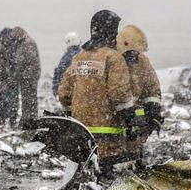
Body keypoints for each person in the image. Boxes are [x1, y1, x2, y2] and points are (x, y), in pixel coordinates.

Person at [57, 9, 134, 174]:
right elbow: (119, 93)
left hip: (82, 131)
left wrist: (74, 114)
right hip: (108, 132)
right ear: (112, 32)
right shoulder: (113, 57)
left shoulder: (79, 57)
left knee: (85, 175)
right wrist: (131, 118)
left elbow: (64, 93)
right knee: (107, 178)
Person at [116, 25, 163, 165]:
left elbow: (153, 87)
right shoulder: (114, 61)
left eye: (137, 53)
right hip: (117, 117)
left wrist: (153, 110)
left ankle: (134, 165)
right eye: (132, 53)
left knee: (135, 152)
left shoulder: (143, 62)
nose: (135, 56)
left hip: (136, 117)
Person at [10, 26, 41, 128]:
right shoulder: (25, 42)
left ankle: (29, 121)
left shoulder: (27, 44)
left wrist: (16, 76)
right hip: (28, 76)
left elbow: (23, 62)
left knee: (28, 100)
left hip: (29, 77)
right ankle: (29, 120)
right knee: (29, 100)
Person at [51, 31, 81, 98]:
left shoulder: (66, 58)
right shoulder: (84, 55)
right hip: (81, 91)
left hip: (69, 91)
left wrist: (56, 90)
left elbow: (59, 74)